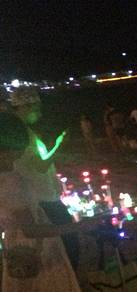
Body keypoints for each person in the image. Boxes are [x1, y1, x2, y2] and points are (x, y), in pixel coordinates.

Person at [0, 112, 98, 292]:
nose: (21, 153)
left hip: (21, 253)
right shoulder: (10, 182)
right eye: (17, 148)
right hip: (35, 256)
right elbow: (31, 230)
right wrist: (77, 227)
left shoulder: (8, 176)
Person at [10, 88, 81, 270]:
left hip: (42, 196)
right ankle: (68, 279)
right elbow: (41, 167)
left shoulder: (22, 131)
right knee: (69, 242)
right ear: (25, 107)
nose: (40, 113)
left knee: (62, 242)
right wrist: (59, 144)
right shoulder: (22, 135)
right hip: (42, 199)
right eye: (37, 108)